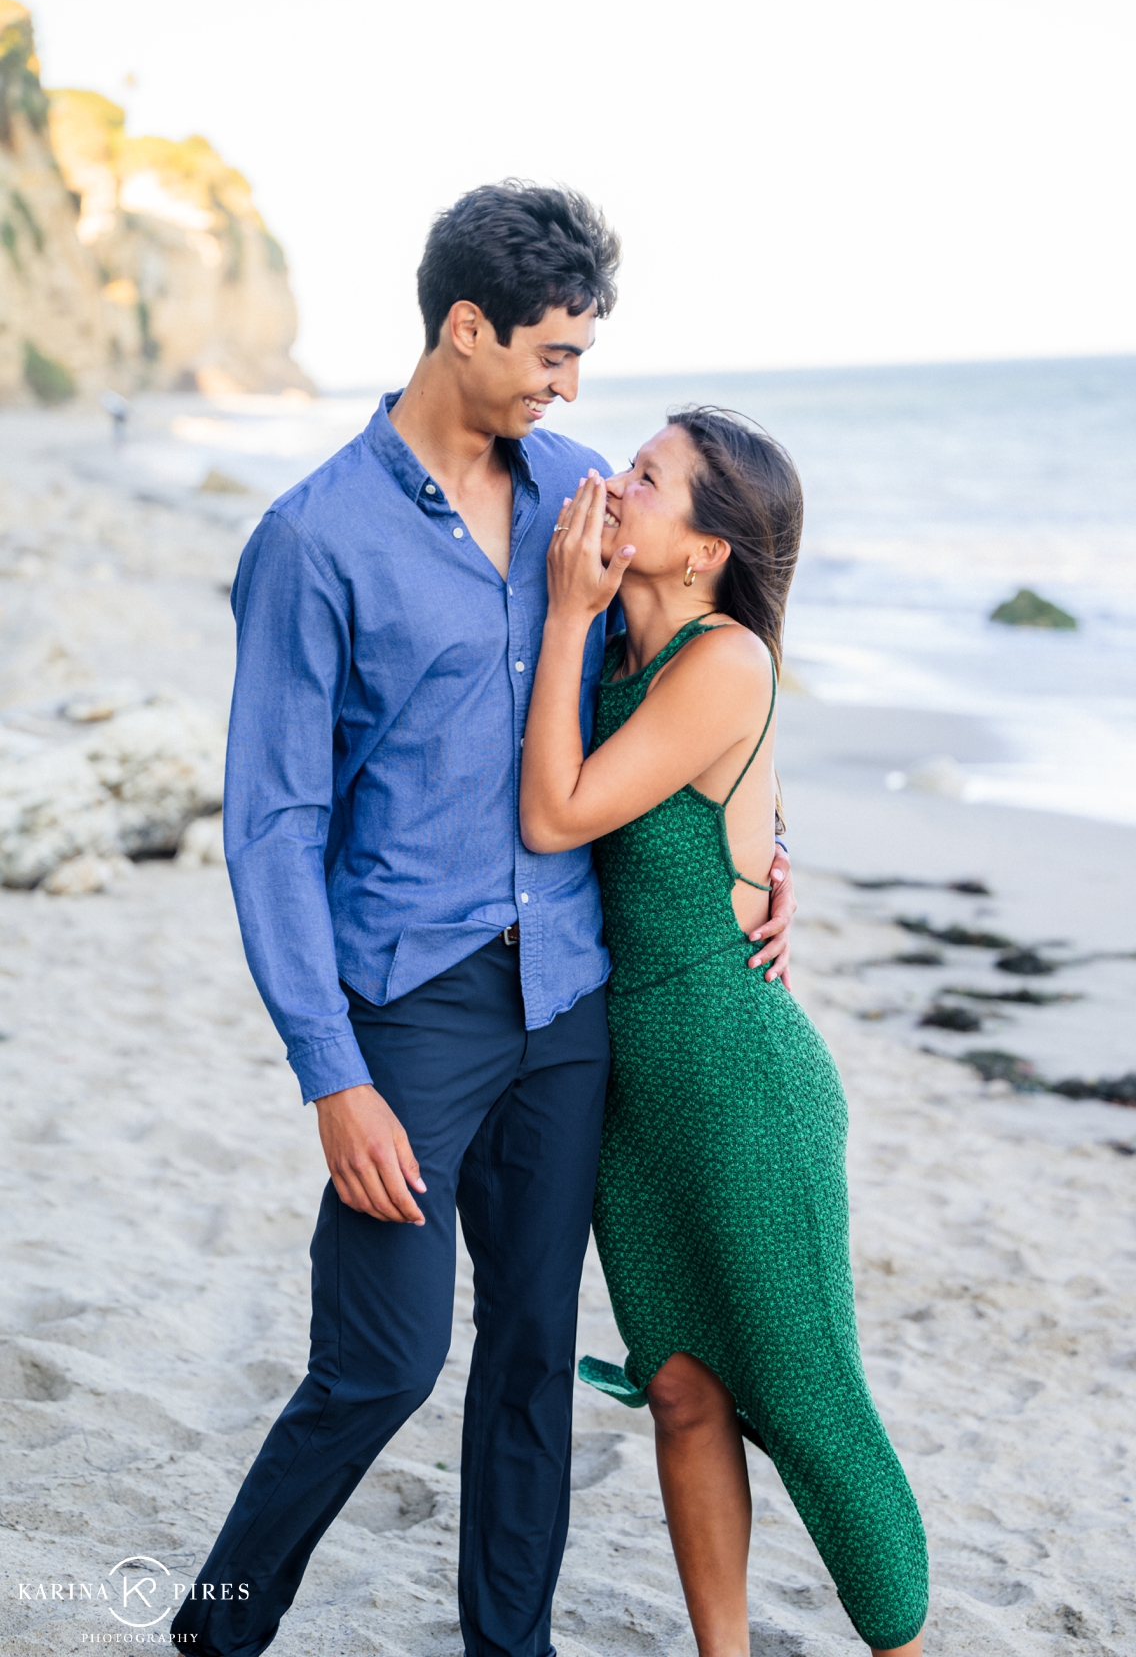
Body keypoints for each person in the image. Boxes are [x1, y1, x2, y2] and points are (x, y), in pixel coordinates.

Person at [170, 184, 796, 1657]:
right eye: (556, 353)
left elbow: (691, 685)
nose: (573, 386)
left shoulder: (586, 493)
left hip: (569, 999)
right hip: (409, 1007)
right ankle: (217, 1626)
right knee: (379, 1363)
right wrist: (332, 1075)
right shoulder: (312, 541)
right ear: (466, 329)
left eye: (583, 358)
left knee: (528, 1360)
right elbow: (267, 826)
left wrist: (771, 847)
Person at [518, 412, 929, 1656]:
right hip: (635, 1101)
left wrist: (562, 614)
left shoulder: (725, 656)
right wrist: (773, 847)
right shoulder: (620, 662)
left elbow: (557, 815)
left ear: (703, 548)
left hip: (746, 1087)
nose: (611, 482)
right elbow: (713, 801)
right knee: (684, 1395)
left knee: (807, 1407)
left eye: (646, 478)